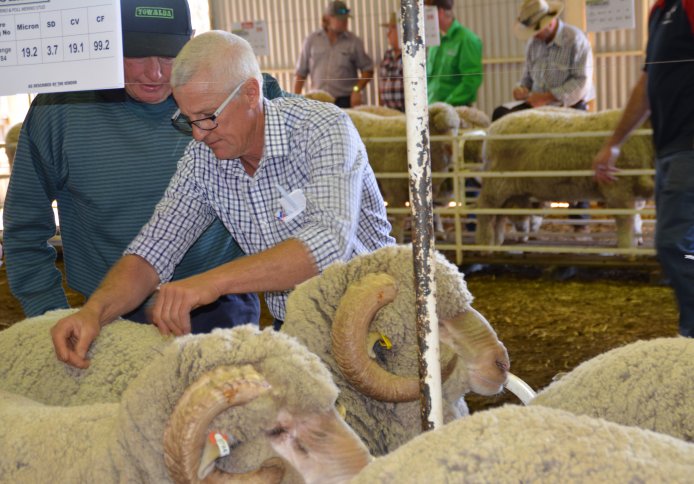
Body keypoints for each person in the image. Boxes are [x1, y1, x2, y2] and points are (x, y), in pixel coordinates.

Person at [51, 30, 395, 368]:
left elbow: (326, 244)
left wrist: (211, 282)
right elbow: (152, 249)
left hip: (380, 320)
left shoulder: (322, 129)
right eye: (187, 121)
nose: (199, 135)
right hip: (300, 331)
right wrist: (93, 313)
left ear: (249, 93)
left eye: (208, 118)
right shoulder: (204, 161)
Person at [2, 0, 287, 334]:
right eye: (136, 53)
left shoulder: (233, 93)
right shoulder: (60, 110)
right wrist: (49, 312)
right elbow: (24, 227)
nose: (155, 72)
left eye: (170, 55)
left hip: (221, 308)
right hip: (108, 316)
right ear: (106, 41)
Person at [592, 0, 694, 338]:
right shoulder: (660, 11)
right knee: (678, 242)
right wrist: (615, 142)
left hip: (689, 147)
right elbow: (647, 85)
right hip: (667, 146)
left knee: (673, 242)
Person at [491, 0, 595, 121]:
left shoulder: (576, 40)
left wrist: (547, 97)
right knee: (500, 114)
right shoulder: (533, 44)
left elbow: (581, 82)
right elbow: (527, 79)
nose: (533, 35)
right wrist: (521, 88)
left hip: (568, 106)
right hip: (538, 106)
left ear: (549, 23)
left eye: (536, 31)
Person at [294, 1, 374, 108]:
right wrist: (295, 100)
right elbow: (301, 73)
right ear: (327, 19)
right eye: (340, 19)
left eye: (346, 18)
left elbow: (368, 70)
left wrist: (356, 90)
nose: (345, 21)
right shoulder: (311, 41)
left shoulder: (354, 42)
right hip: (318, 102)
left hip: (345, 101)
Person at [425, 0, 483, 107]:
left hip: (455, 111)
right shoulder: (434, 41)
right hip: (431, 107)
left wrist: (447, 105)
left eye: (426, 12)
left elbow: (471, 80)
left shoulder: (467, 40)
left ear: (440, 12)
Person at [378, 12, 405, 112]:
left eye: (391, 29)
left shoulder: (412, 56)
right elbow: (381, 83)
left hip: (408, 111)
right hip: (389, 111)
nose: (387, 34)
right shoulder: (387, 55)